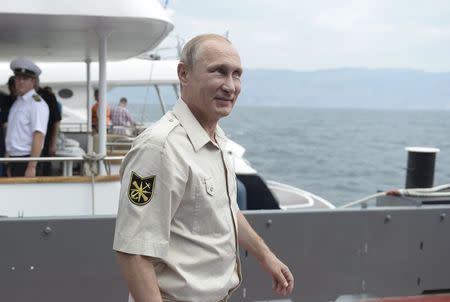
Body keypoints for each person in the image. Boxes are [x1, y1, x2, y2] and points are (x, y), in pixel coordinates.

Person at [113, 34, 294, 301]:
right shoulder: (160, 148)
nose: (230, 86)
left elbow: (225, 208)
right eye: (218, 72)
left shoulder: (215, 138)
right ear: (183, 74)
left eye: (237, 74)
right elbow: (134, 252)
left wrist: (265, 255)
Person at [5, 58, 49, 177]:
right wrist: (8, 160)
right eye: (18, 78)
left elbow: (38, 135)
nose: (20, 82)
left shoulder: (36, 104)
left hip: (27, 160)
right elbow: (14, 134)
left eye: (25, 79)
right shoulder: (18, 103)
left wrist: (32, 166)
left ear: (33, 82)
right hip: (15, 160)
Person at [37, 85, 62, 176]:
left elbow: (56, 120)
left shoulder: (49, 98)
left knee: (45, 167)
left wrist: (53, 143)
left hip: (46, 140)